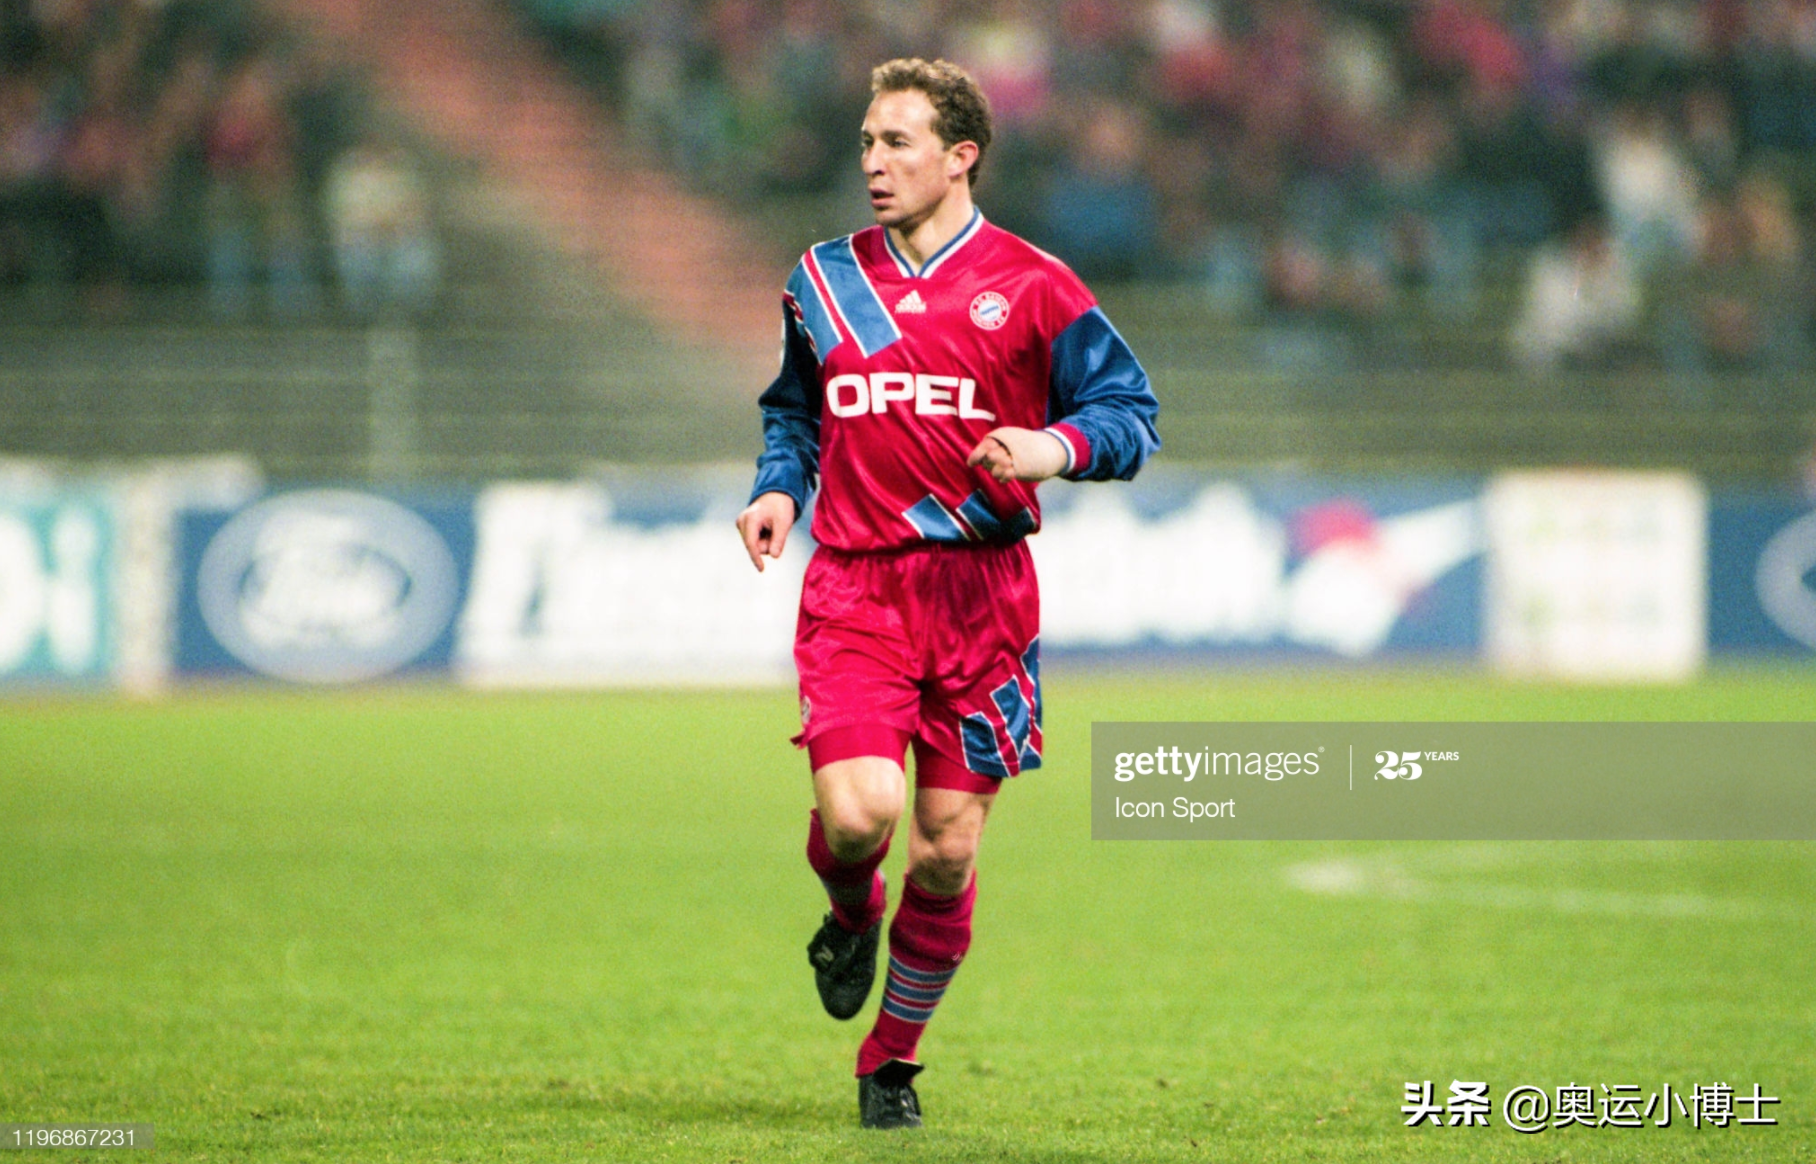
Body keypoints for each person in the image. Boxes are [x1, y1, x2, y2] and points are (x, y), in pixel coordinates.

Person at [735, 57, 1159, 1130]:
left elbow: (1130, 414)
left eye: (897, 143)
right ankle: (849, 915)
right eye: (867, 143)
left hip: (983, 600)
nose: (873, 163)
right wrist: (779, 487)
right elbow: (794, 413)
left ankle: (890, 1062)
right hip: (858, 588)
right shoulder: (823, 280)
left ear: (960, 155)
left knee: (948, 848)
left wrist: (1054, 447)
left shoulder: (1035, 284)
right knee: (860, 817)